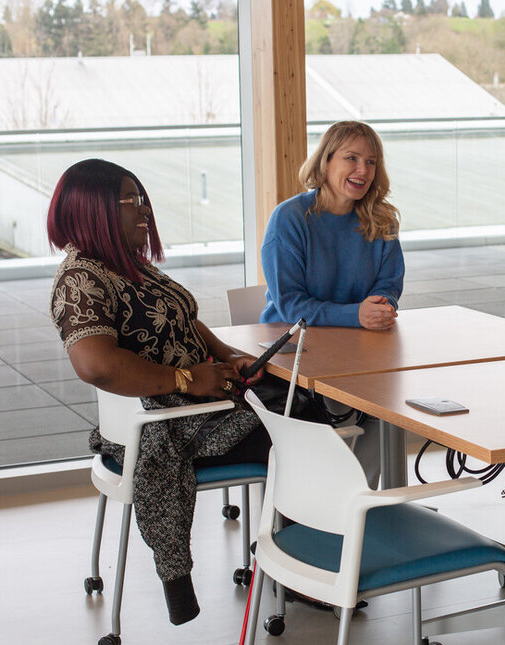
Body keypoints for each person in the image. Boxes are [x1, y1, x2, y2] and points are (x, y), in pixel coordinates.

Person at [47, 159, 271, 626]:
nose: (143, 208)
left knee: (310, 406)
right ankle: (305, 565)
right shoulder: (81, 279)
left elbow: (185, 319)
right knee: (302, 429)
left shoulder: (129, 266)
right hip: (169, 425)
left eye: (141, 197)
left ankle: (305, 552)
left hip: (197, 406)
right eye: (130, 200)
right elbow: (96, 365)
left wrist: (228, 355)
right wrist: (187, 379)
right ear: (95, 210)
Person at [260, 120, 405, 486]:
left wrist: (381, 306)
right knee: (356, 409)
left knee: (388, 405)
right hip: (296, 353)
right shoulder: (289, 219)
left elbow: (389, 284)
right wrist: (356, 314)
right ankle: (327, 507)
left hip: (361, 348)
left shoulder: (381, 218)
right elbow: (292, 305)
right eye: (351, 158)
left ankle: (362, 504)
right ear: (325, 162)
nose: (363, 170)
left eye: (371, 162)